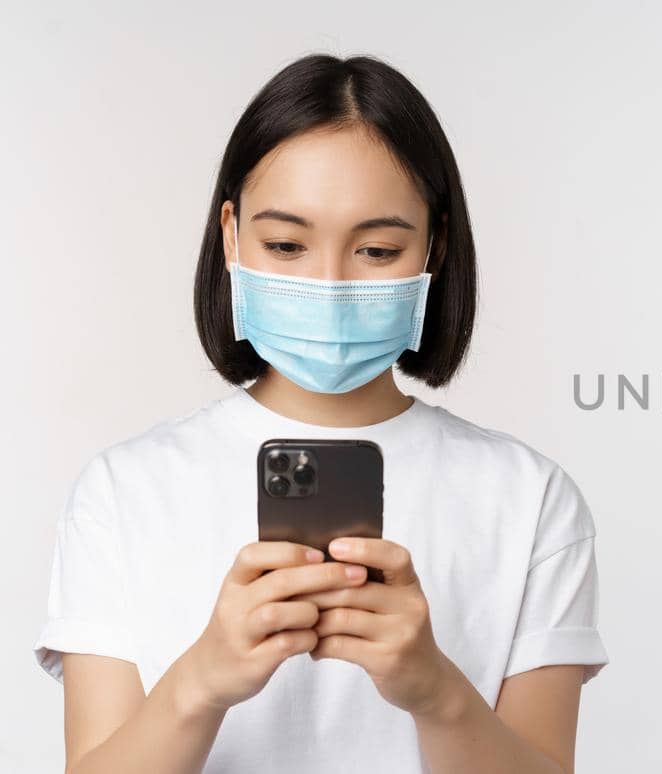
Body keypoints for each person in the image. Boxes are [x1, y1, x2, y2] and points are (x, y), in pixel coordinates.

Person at [30, 53, 609, 774]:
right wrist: (201, 682)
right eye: (286, 245)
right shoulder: (123, 492)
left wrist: (436, 692)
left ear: (436, 247)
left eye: (376, 248)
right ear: (232, 235)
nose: (329, 283)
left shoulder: (530, 500)